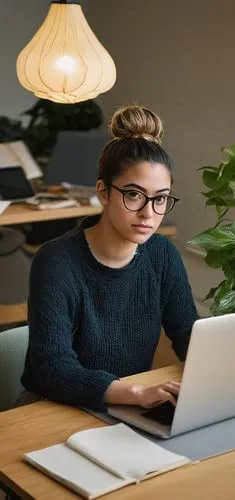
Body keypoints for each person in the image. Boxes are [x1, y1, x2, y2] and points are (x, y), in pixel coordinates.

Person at [20, 105, 198, 412]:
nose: (148, 213)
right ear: (103, 192)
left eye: (160, 198)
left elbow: (188, 336)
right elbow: (53, 368)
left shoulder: (162, 255)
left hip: (125, 406)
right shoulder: (56, 261)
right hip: (51, 407)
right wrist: (138, 394)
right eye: (133, 194)